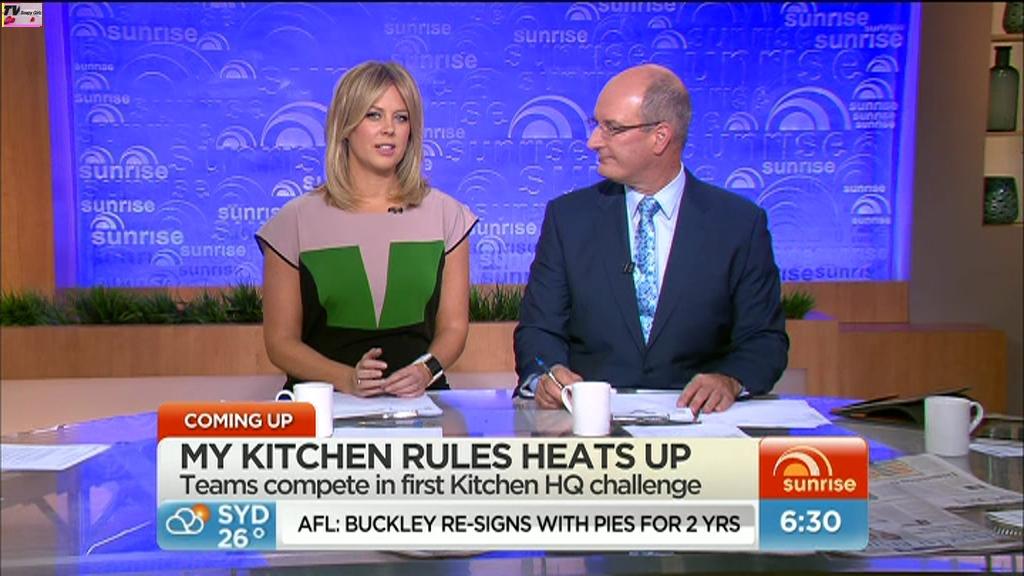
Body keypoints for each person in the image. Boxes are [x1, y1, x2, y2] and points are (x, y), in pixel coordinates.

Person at [513, 64, 789, 414]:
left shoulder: (738, 224)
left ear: (660, 136)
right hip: (590, 423)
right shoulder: (568, 220)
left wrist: (730, 379)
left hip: (701, 424)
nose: (593, 141)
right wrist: (548, 375)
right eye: (597, 125)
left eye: (612, 128)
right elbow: (538, 331)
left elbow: (765, 340)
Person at [257, 61, 477, 397]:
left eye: (401, 117)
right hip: (324, 404)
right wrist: (346, 379)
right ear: (345, 125)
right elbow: (280, 343)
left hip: (420, 402)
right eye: (374, 115)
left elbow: (454, 327)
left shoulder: (448, 216)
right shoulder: (294, 222)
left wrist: (425, 371)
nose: (389, 129)